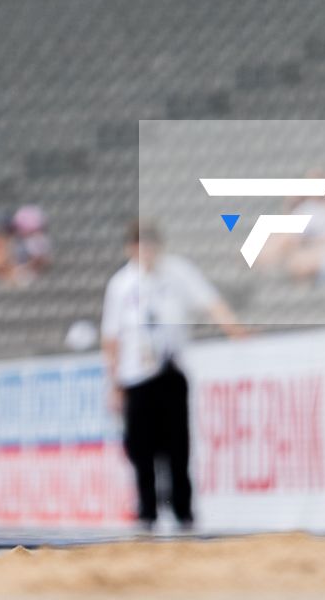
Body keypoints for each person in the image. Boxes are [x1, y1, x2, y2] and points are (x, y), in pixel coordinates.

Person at [101, 222, 243, 533]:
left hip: (171, 371)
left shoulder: (177, 272)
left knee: (178, 447)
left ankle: (183, 512)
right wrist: (113, 384)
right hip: (136, 376)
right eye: (140, 245)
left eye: (151, 245)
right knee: (141, 450)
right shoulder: (121, 285)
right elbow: (111, 338)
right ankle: (147, 512)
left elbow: (210, 302)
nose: (147, 252)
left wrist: (233, 329)